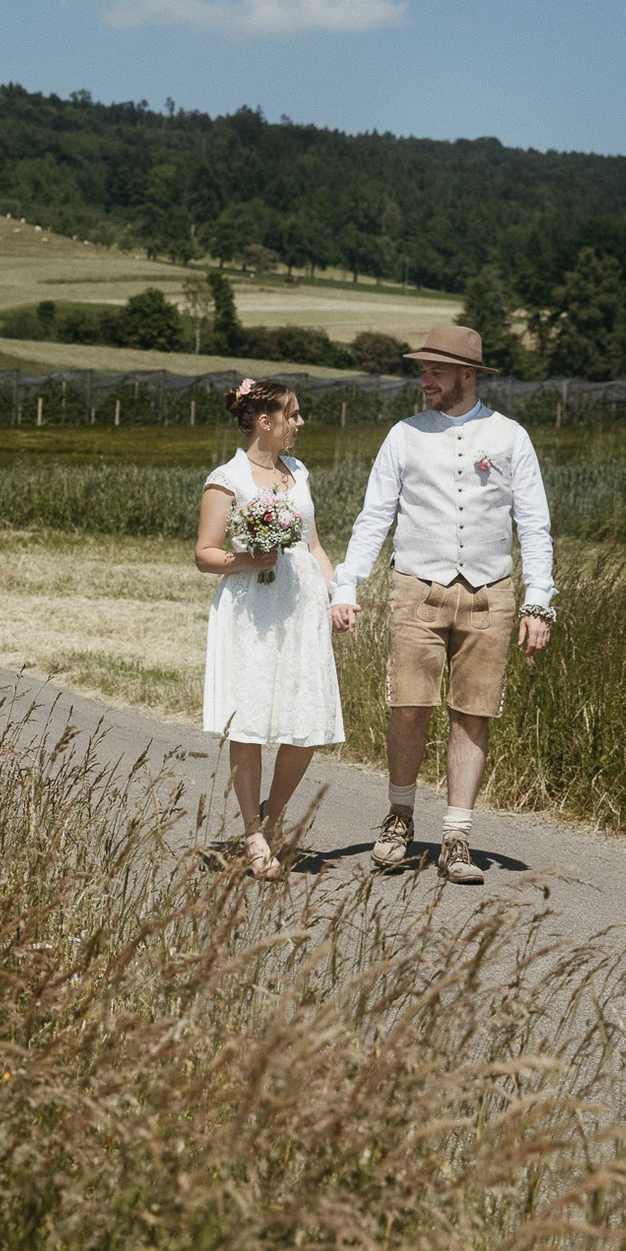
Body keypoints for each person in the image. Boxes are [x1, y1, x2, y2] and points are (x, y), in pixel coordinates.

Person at [329, 325, 555, 882]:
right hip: (416, 587)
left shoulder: (510, 437)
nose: (424, 379)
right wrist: (347, 584)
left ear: (467, 375)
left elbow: (534, 522)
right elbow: (374, 516)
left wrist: (539, 600)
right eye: (423, 369)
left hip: (490, 593)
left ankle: (457, 836)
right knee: (409, 706)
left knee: (473, 712)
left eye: (435, 370)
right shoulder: (403, 435)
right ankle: (399, 819)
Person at [195, 378, 350, 880]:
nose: (301, 423)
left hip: (301, 606)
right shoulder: (228, 479)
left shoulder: (297, 471)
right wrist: (248, 558)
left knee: (305, 720)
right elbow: (205, 554)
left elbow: (313, 545)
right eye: (294, 414)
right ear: (267, 421)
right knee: (252, 718)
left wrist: (337, 594)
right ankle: (254, 835)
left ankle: (272, 815)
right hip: (252, 609)